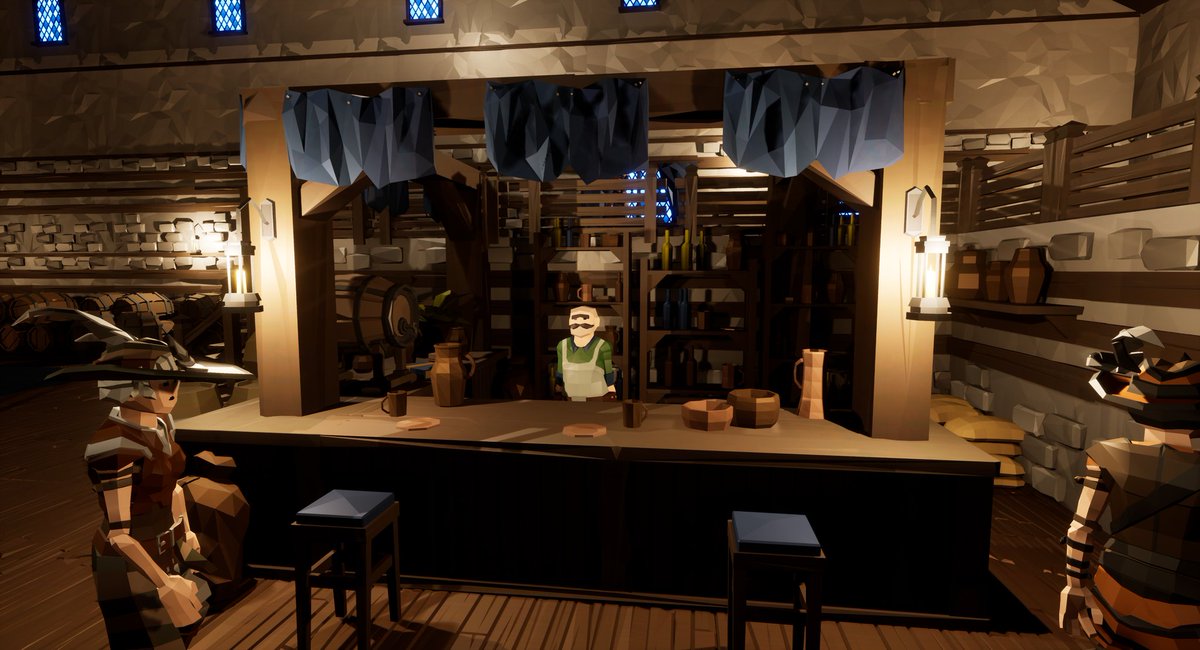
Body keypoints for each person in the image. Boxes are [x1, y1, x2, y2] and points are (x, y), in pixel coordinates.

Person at [16, 308, 252, 648]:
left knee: (190, 621)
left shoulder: (161, 424)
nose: (174, 392)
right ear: (131, 386)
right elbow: (119, 535)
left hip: (169, 545)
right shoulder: (114, 444)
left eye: (175, 382)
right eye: (164, 383)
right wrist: (162, 583)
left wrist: (185, 531)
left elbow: (172, 486)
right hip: (131, 561)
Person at [1059, 326, 1200, 649]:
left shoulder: (1110, 455)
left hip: (1111, 599)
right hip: (1185, 617)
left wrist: (1074, 588)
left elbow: (1080, 530)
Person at [555, 305, 617, 401]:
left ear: (596, 322)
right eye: (574, 318)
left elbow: (608, 371)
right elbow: (560, 371)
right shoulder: (562, 345)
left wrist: (611, 391)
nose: (579, 322)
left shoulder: (603, 346)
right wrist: (558, 387)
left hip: (596, 397)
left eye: (585, 318)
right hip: (570, 397)